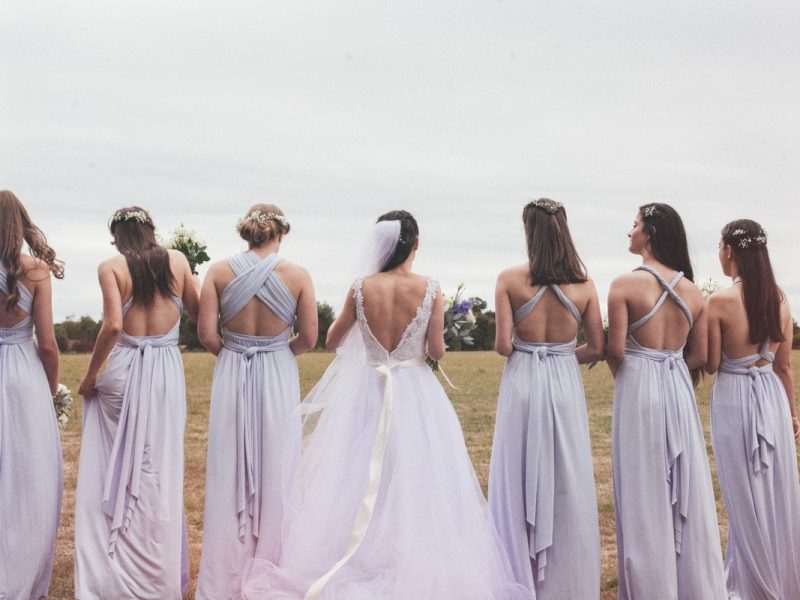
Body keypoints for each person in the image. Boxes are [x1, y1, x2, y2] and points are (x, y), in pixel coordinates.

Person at [242, 210, 529, 599]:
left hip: (368, 389)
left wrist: (370, 344)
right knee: (417, 475)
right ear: (414, 244)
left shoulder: (361, 287)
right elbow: (437, 351)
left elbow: (332, 339)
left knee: (358, 474)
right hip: (415, 391)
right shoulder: (430, 287)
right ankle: (408, 556)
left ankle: (361, 555)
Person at [74, 206, 199, 599]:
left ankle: (116, 558)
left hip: (125, 369)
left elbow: (113, 325)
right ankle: (155, 565)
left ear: (117, 235)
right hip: (166, 370)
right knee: (158, 463)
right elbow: (198, 312)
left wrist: (91, 375)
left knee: (118, 464)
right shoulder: (178, 261)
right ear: (150, 230)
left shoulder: (110, 267)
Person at [196, 204, 318, 599]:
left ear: (246, 234)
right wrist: (276, 352)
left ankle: (225, 572)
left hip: (233, 367)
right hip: (277, 368)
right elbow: (310, 339)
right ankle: (274, 561)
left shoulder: (217, 271)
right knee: (279, 460)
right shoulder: (298, 275)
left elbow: (207, 335)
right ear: (281, 233)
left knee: (228, 462)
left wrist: (236, 352)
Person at [606, 203, 726, 599]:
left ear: (651, 232)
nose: (630, 232)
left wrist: (636, 373)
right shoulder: (693, 291)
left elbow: (617, 350)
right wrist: (669, 365)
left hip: (638, 385)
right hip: (677, 385)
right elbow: (703, 357)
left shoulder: (624, 285)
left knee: (642, 484)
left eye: (634, 225)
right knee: (683, 481)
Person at [489, 198, 603, 598]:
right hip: (563, 378)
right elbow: (598, 346)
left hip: (523, 377)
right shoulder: (585, 284)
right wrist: (561, 356)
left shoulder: (509, 279)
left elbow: (504, 346)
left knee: (516, 469)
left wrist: (531, 349)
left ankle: (518, 569)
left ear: (529, 231)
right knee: (566, 472)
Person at [706, 219, 800, 598]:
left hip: (734, 399)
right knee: (776, 492)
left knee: (741, 494)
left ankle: (752, 585)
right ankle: (777, 573)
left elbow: (711, 363)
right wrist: (792, 415)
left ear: (730, 250)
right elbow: (784, 366)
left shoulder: (718, 303)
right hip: (772, 400)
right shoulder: (779, 299)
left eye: (719, 245)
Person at [0, 190, 64, 599]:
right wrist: (51, 389)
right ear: (21, 224)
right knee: (29, 475)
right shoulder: (35, 272)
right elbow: (47, 343)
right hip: (24, 378)